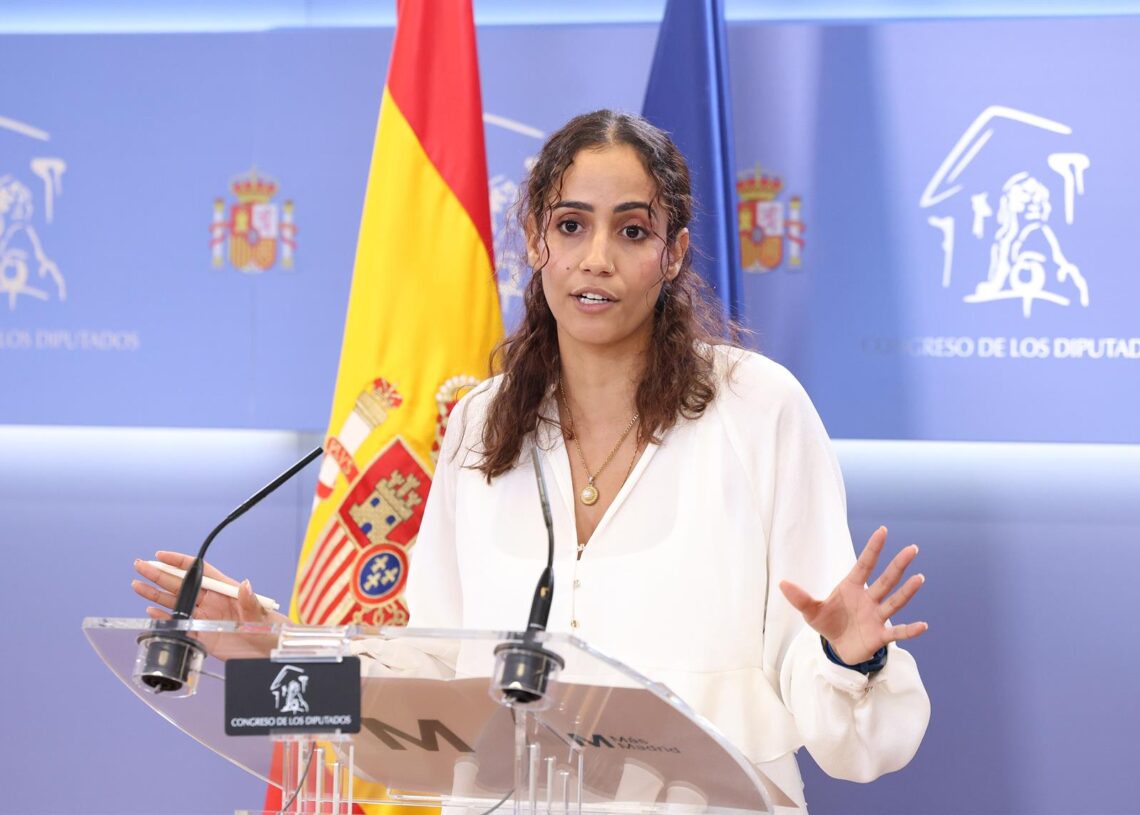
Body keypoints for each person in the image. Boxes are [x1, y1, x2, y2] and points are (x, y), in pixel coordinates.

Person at [133, 109, 929, 814]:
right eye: (572, 225)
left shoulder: (759, 409)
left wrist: (846, 654)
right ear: (534, 241)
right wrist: (282, 648)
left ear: (675, 252)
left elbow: (840, 719)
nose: (596, 260)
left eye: (633, 229)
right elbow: (437, 668)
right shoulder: (484, 424)